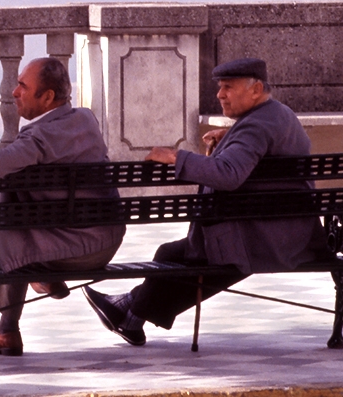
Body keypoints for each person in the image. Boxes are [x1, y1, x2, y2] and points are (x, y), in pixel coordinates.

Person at [83, 57, 327, 345]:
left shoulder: (254, 128)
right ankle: (128, 313)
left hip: (264, 239)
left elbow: (229, 174)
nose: (220, 94)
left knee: (174, 255)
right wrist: (229, 138)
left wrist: (176, 157)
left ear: (256, 89)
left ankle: (130, 313)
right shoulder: (278, 114)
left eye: (227, 87)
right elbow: (260, 151)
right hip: (288, 233)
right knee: (179, 254)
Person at [0, 57, 126, 357]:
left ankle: (7, 328)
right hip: (107, 242)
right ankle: (30, 294)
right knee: (16, 191)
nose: (14, 92)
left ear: (47, 97)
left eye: (23, 86)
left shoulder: (39, 137)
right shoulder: (86, 119)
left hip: (71, 250)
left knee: (9, 201)